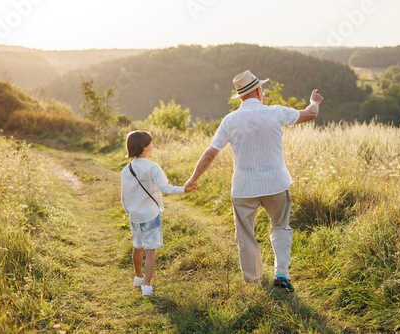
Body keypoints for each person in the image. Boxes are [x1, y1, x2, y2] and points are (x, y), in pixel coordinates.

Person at [184, 70, 323, 292]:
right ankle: (281, 274)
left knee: (246, 236)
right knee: (280, 227)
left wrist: (193, 179)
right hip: (275, 183)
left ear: (240, 97)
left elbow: (210, 153)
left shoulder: (230, 120)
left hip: (244, 187)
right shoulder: (276, 112)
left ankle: (253, 282)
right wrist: (313, 101)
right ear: (259, 91)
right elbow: (310, 114)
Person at [121, 130, 194, 296]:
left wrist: (130, 211)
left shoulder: (126, 169)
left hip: (134, 216)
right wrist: (184, 189)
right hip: (150, 215)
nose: (152, 146)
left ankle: (138, 277)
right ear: (144, 148)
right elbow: (164, 188)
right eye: (150, 143)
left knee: (137, 247)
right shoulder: (153, 167)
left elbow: (123, 196)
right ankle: (146, 286)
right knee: (150, 251)